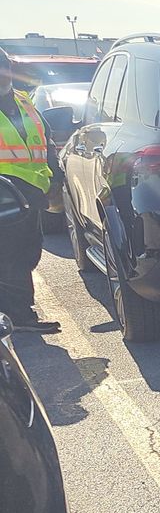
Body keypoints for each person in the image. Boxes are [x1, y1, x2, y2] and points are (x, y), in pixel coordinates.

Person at [0, 47, 61, 333]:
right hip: (5, 194)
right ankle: (19, 315)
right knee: (10, 256)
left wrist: (56, 178)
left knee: (28, 253)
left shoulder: (23, 101)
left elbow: (44, 138)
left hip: (31, 191)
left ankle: (17, 312)